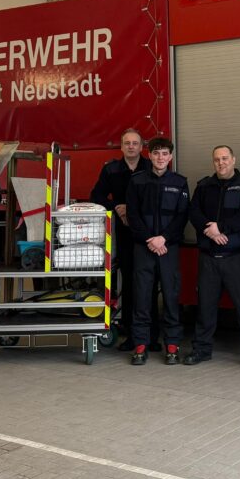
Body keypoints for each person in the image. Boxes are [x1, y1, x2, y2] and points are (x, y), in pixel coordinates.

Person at [186, 146, 240, 371]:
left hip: (236, 258)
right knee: (205, 308)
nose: (221, 163)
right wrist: (209, 230)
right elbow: (194, 212)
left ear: (233, 159)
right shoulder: (204, 186)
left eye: (225, 159)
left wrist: (221, 228)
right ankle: (201, 350)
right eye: (217, 160)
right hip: (209, 258)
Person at [90, 128, 157, 352]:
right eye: (127, 143)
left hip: (149, 234)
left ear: (141, 146)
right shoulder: (111, 170)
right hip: (125, 234)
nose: (131, 146)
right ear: (121, 146)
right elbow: (96, 196)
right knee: (129, 283)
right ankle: (132, 334)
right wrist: (115, 207)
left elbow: (161, 198)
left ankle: (153, 336)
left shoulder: (151, 167)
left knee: (150, 283)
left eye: (135, 143)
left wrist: (135, 210)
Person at [124, 136, 189, 366]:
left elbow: (182, 216)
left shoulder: (180, 182)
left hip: (168, 248)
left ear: (170, 157)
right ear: (149, 155)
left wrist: (164, 238)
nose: (160, 157)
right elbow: (133, 215)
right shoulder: (137, 181)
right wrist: (150, 239)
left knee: (171, 296)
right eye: (156, 153)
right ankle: (140, 345)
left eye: (165, 153)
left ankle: (172, 345)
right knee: (141, 296)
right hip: (144, 247)